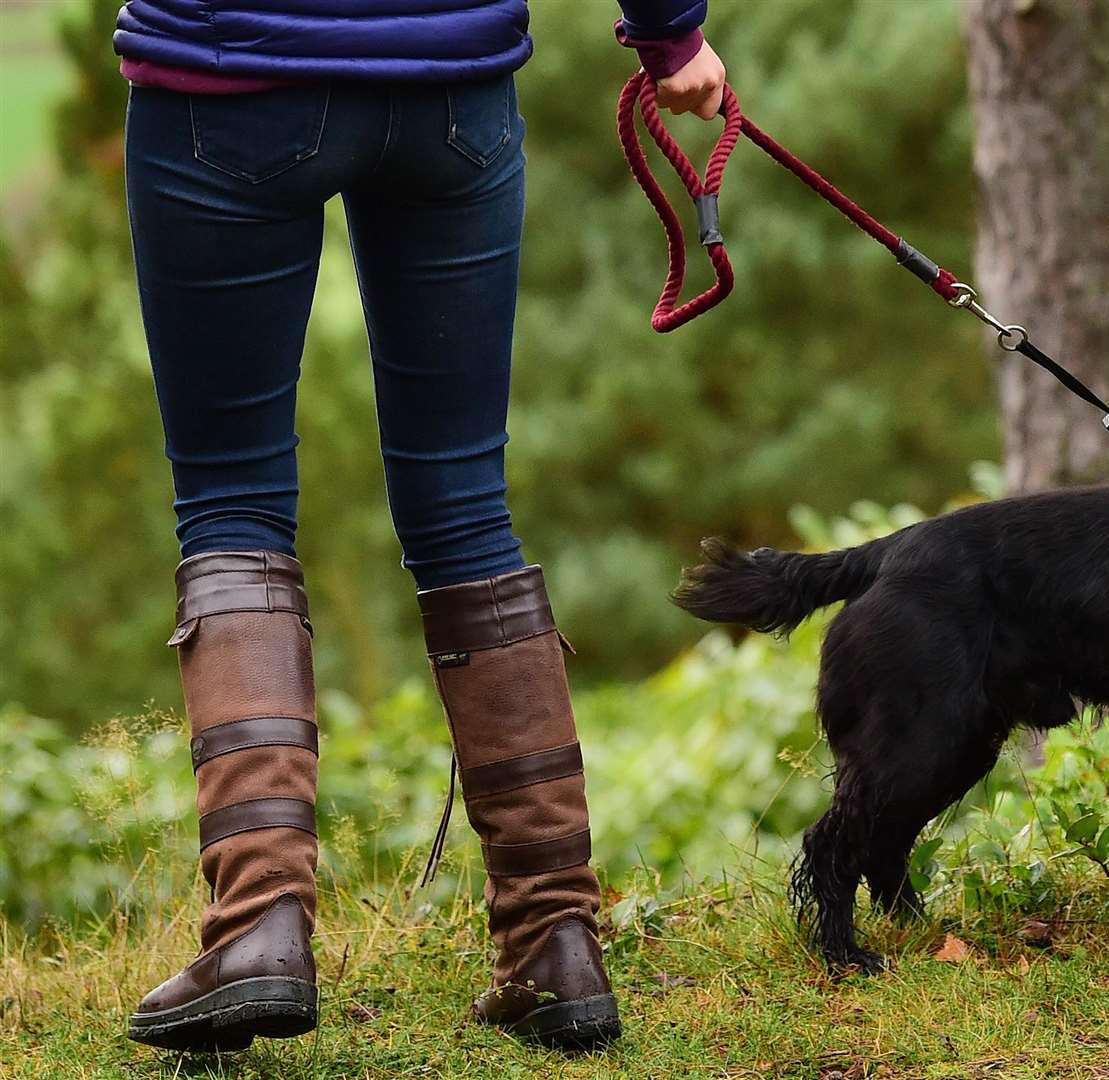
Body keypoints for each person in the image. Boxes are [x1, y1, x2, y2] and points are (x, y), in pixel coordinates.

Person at [112, 0, 723, 1054]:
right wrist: (671, 33)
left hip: (232, 76)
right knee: (464, 504)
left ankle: (260, 925)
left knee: (232, 500)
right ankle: (553, 941)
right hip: (451, 90)